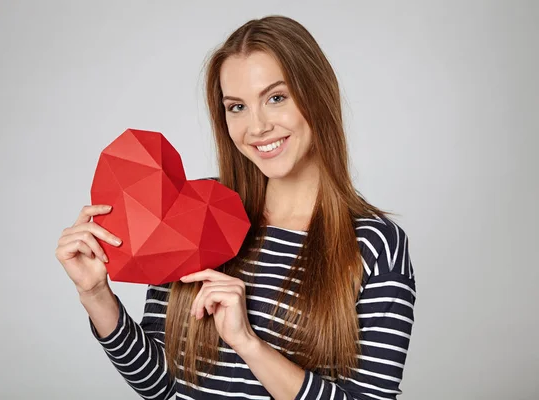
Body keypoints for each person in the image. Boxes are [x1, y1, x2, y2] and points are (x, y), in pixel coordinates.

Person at [55, 15, 416, 400]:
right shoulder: (194, 216)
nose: (257, 127)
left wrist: (249, 344)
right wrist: (95, 295)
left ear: (317, 96)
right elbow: (162, 386)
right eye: (237, 107)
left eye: (276, 98)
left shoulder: (375, 244)